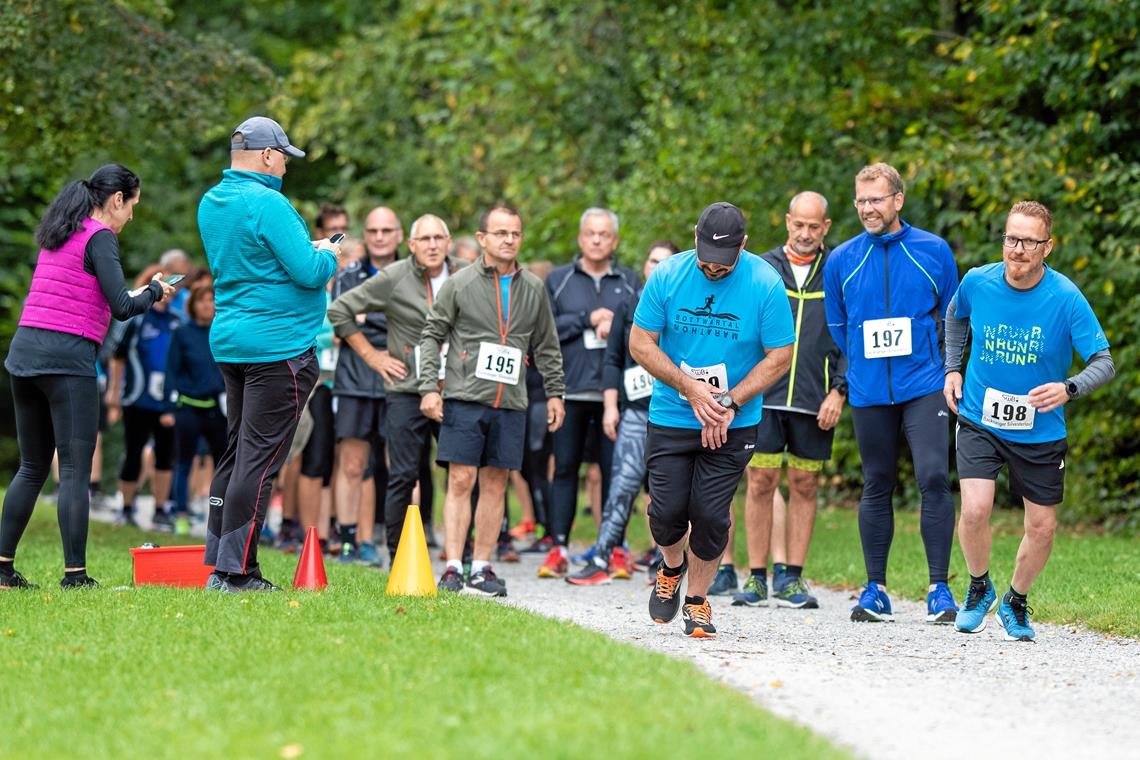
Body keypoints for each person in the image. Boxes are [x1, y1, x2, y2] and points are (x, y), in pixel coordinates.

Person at [945, 201, 1113, 641]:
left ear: (1048, 247)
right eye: (1010, 238)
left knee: (1042, 527)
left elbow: (1103, 360)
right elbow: (955, 316)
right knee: (976, 509)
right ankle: (979, 587)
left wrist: (1069, 388)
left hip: (1039, 428)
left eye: (1028, 242)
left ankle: (1015, 602)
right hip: (980, 415)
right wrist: (951, 367)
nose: (1016, 249)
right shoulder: (977, 281)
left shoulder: (1065, 297)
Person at [0, 164, 174, 589]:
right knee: (76, 471)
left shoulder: (60, 232)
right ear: (117, 200)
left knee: (31, 466)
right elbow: (120, 305)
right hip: (67, 358)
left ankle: (2, 568)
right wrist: (154, 292)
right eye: (132, 205)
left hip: (25, 355)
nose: (132, 215)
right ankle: (75, 576)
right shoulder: (101, 238)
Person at [631, 202, 794, 638]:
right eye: (706, 258)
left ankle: (698, 602)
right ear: (694, 237)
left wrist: (730, 401)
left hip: (732, 422)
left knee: (710, 515)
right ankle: (671, 567)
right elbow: (640, 342)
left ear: (743, 245)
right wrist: (689, 386)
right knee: (666, 515)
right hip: (672, 413)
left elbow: (780, 356)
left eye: (723, 262)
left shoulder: (765, 283)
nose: (713, 268)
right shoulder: (667, 275)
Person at [197, 115, 339, 591]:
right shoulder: (269, 202)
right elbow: (308, 271)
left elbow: (253, 261)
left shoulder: (212, 202)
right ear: (266, 155)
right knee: (258, 461)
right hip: (278, 347)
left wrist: (305, 248)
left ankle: (219, 563)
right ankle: (238, 572)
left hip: (232, 340)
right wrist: (331, 255)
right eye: (283, 157)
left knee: (237, 453)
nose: (285, 166)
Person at [823, 162, 961, 624]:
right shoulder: (842, 258)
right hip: (868, 390)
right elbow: (839, 326)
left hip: (923, 385)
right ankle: (875, 589)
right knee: (876, 482)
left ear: (897, 200)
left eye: (876, 199)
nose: (867, 208)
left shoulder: (933, 250)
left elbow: (953, 316)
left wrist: (944, 368)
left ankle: (939, 589)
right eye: (861, 201)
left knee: (933, 477)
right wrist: (863, 365)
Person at [420, 205, 565, 596]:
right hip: (466, 395)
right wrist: (429, 388)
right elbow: (432, 334)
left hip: (512, 399)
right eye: (500, 233)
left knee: (496, 481)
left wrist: (555, 393)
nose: (509, 240)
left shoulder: (534, 287)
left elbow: (548, 347)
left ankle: (482, 566)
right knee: (462, 479)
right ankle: (452, 565)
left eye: (515, 233)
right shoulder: (460, 283)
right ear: (482, 238)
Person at [328, 213, 468, 563]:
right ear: (412, 244)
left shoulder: (470, 273)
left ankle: (462, 557)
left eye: (439, 238)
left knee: (463, 471)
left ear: (449, 242)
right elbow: (340, 311)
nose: (433, 246)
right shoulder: (395, 276)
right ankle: (400, 557)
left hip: (457, 387)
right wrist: (373, 357)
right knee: (402, 474)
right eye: (426, 239)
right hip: (407, 386)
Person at [728, 192, 845, 609]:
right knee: (760, 481)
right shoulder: (760, 268)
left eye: (815, 227)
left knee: (805, 483)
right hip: (763, 395)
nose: (806, 234)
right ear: (787, 222)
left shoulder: (837, 270)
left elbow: (850, 333)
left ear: (826, 228)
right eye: (799, 225)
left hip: (817, 398)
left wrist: (840, 390)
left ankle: (792, 577)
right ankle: (756, 577)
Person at [566, 241, 677, 585]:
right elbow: (613, 359)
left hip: (672, 412)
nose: (658, 267)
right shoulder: (628, 304)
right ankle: (602, 555)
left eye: (666, 263)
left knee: (664, 492)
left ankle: (667, 563)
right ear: (644, 265)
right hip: (633, 412)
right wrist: (611, 406)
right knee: (622, 486)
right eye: (653, 260)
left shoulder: (684, 307)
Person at [539, 208, 640, 578]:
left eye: (604, 235)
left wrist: (617, 328)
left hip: (617, 395)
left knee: (617, 473)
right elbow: (545, 328)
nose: (597, 240)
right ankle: (558, 546)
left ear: (614, 241)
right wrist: (588, 319)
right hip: (571, 391)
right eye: (591, 234)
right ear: (581, 238)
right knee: (564, 469)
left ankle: (613, 548)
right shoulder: (559, 279)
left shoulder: (629, 280)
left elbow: (644, 331)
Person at [330, 206, 403, 566]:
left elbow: (417, 322)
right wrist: (382, 321)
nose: (379, 237)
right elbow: (341, 322)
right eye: (373, 230)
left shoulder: (413, 273)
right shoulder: (348, 274)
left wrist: (364, 319)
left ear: (399, 235)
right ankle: (348, 542)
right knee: (353, 464)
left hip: (400, 377)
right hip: (355, 378)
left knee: (401, 464)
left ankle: (404, 544)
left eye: (386, 230)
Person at [107, 263, 181, 530]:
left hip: (167, 402)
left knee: (165, 455)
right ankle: (126, 507)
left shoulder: (176, 321)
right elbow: (117, 356)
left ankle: (161, 509)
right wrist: (114, 392)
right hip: (137, 397)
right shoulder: (137, 318)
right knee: (133, 452)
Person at [162, 283, 227, 535]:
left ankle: (222, 517)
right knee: (184, 463)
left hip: (216, 409)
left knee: (223, 465)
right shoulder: (182, 333)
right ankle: (180, 514)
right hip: (187, 408)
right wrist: (168, 408)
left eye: (211, 300)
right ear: (193, 305)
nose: (207, 305)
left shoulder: (220, 331)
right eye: (202, 301)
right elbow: (171, 370)